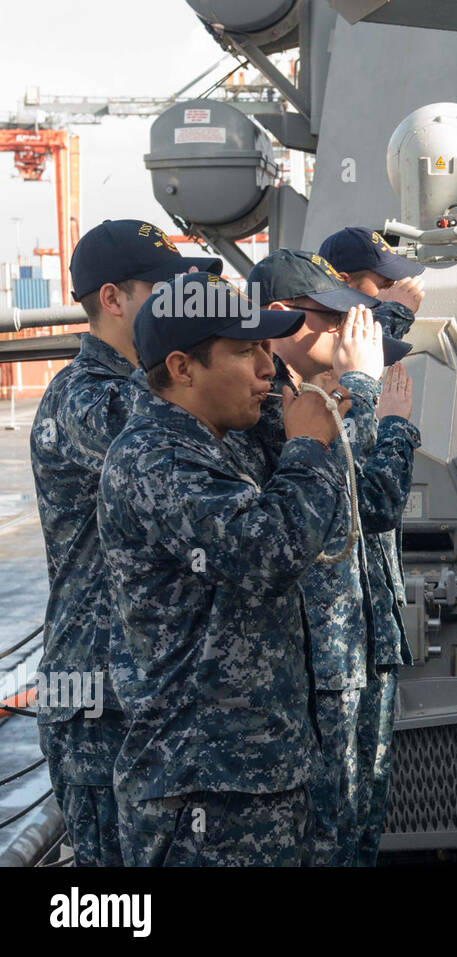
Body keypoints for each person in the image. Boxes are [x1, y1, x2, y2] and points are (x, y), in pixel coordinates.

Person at [99, 273, 347, 866]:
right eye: (246, 351)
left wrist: (291, 405)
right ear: (182, 368)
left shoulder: (219, 439)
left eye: (267, 349)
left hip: (259, 774)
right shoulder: (154, 459)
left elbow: (333, 522)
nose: (268, 367)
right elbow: (273, 550)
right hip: (203, 791)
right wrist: (308, 448)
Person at [29, 220, 220, 867]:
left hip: (138, 686)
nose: (179, 304)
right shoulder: (87, 401)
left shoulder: (141, 387)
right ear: (113, 299)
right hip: (95, 694)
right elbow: (174, 440)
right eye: (162, 291)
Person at [246, 249, 421, 866]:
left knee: (354, 831)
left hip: (348, 648)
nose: (346, 331)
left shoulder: (307, 397)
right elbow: (367, 504)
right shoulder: (266, 411)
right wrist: (375, 402)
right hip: (314, 666)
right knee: (325, 841)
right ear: (277, 316)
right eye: (330, 317)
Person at [323, 230, 424, 866]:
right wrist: (388, 420)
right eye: (374, 287)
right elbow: (374, 500)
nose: (382, 297)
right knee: (335, 825)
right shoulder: (310, 403)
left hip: (365, 637)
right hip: (334, 658)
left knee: (364, 816)